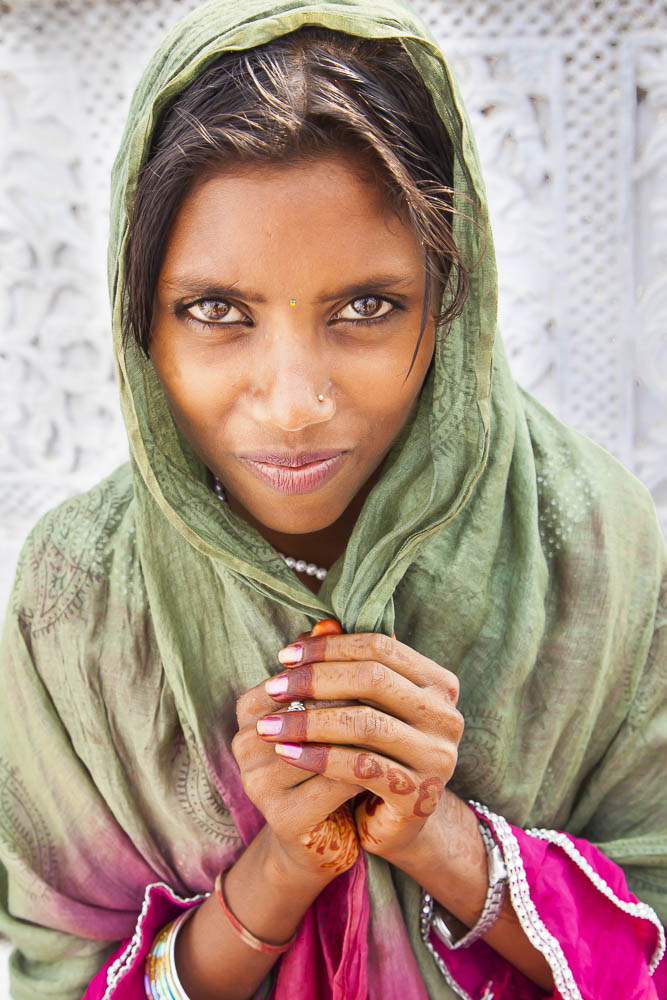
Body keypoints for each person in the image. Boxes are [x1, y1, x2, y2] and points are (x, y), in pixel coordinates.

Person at [0, 0, 665, 998]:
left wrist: (444, 837)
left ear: (451, 299)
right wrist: (280, 867)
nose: (295, 403)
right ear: (142, 324)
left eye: (365, 306)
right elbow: (60, 971)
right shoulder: (79, 602)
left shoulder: (591, 549)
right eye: (216, 310)